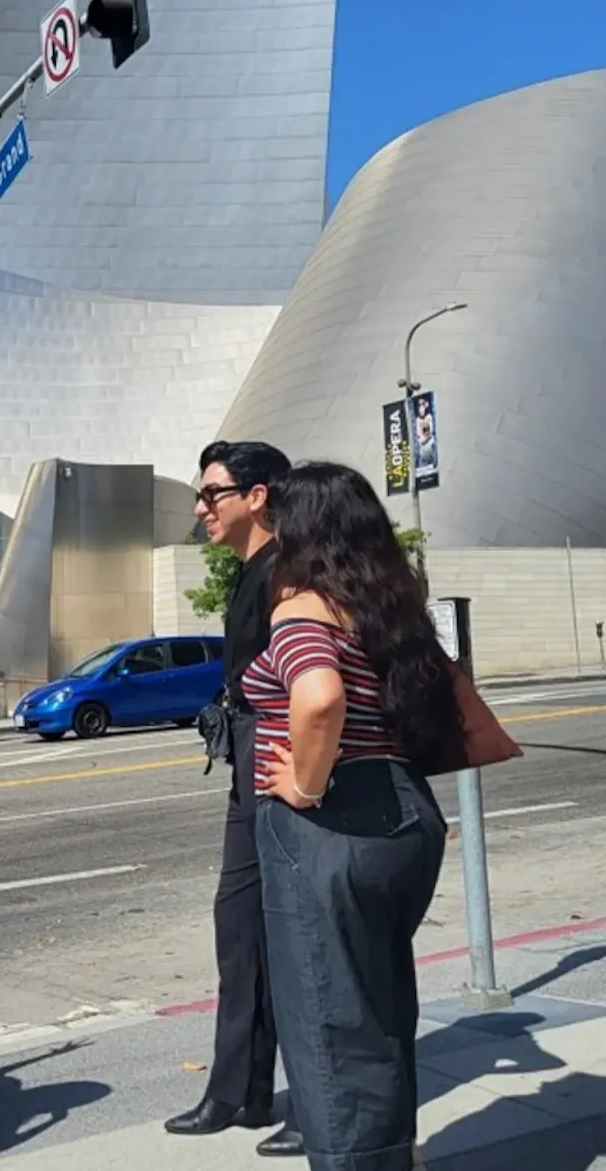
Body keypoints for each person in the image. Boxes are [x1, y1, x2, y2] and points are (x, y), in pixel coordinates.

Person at [246, 462, 458, 1171]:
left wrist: (305, 787)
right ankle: (394, 1156)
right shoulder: (388, 606)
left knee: (329, 1022)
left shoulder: (302, 608)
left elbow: (319, 698)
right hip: (406, 816)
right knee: (382, 1007)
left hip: (331, 827)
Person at [165, 440, 304, 1158]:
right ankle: (238, 1090)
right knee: (239, 923)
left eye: (211, 493)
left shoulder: (292, 569)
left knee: (296, 935)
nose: (200, 508)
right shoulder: (252, 570)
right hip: (247, 756)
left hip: (284, 755)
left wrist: (302, 772)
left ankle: (316, 1101)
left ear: (257, 496)